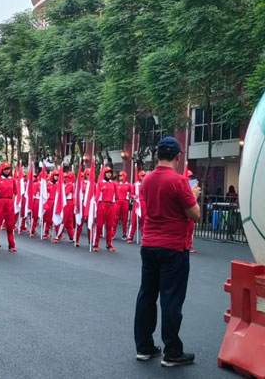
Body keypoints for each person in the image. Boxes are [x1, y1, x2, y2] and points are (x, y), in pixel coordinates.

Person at [134, 136, 200, 367]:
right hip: (173, 246)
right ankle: (172, 352)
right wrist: (196, 197)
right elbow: (195, 214)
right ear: (178, 156)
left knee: (147, 295)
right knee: (171, 299)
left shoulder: (147, 180)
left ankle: (144, 346)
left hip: (149, 243)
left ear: (157, 154)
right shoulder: (180, 182)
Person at [0, 163, 19, 252]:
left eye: (8, 169)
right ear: (2, 170)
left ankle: (11, 245)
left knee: (10, 224)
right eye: (5, 169)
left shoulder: (12, 180)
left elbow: (16, 192)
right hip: (0, 201)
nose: (7, 171)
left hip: (9, 202)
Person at [94, 166, 117, 252]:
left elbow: (117, 195)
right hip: (102, 204)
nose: (109, 174)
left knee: (109, 226)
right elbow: (97, 195)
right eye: (107, 172)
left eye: (110, 173)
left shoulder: (113, 183)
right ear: (104, 173)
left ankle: (109, 244)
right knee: (99, 225)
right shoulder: (100, 183)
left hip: (111, 205)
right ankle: (96, 244)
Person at [55, 171, 76, 243]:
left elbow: (65, 193)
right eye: (64, 177)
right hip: (62, 202)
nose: (65, 179)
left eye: (66, 177)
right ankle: (71, 236)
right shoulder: (61, 185)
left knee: (66, 220)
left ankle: (58, 236)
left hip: (68, 203)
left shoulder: (69, 184)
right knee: (66, 220)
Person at [127, 170, 146, 244]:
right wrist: (134, 196)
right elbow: (131, 195)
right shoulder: (135, 185)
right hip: (137, 203)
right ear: (139, 177)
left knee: (144, 221)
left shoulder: (147, 184)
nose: (143, 177)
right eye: (142, 176)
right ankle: (130, 236)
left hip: (144, 204)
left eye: (144, 176)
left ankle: (144, 237)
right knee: (134, 221)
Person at [116, 171, 132, 240]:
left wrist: (131, 196)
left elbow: (132, 193)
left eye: (121, 176)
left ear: (124, 176)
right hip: (117, 201)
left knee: (125, 219)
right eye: (119, 176)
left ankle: (124, 234)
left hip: (125, 202)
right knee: (115, 218)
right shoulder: (116, 184)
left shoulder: (128, 185)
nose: (120, 177)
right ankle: (112, 234)